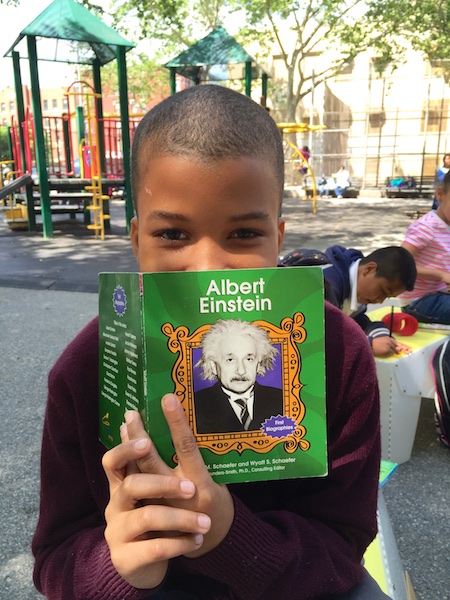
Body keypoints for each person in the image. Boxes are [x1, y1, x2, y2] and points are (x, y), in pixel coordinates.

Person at [32, 85, 389, 599]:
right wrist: (118, 569)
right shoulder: (87, 368)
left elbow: (345, 538)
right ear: (135, 241)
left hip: (294, 579)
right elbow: (56, 558)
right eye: (173, 235)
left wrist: (225, 534)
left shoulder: (338, 352)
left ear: (279, 239)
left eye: (243, 235)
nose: (206, 268)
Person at [281, 245, 417, 358]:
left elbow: (356, 321)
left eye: (387, 298)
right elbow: (322, 338)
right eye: (383, 291)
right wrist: (368, 344)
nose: (380, 301)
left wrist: (381, 336)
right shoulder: (326, 285)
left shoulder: (356, 289)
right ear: (369, 269)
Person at [194, 319, 283, 433]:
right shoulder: (195, 405)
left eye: (249, 359)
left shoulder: (282, 400)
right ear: (213, 366)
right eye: (230, 359)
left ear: (258, 363)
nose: (241, 371)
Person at [399, 169, 450, 324]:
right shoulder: (426, 227)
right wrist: (440, 275)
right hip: (418, 301)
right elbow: (401, 262)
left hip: (440, 294)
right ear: (440, 194)